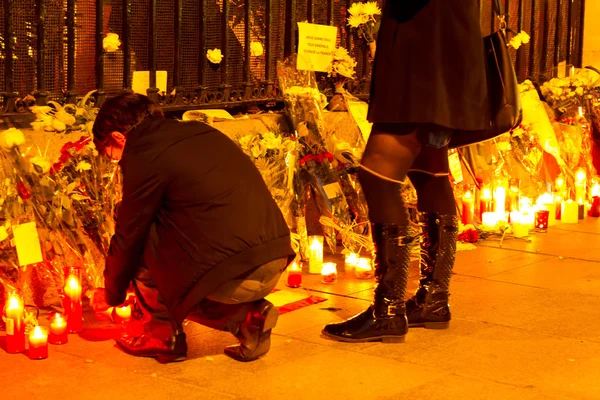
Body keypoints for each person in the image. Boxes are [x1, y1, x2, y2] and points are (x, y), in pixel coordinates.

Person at [322, 1, 488, 342]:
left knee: (377, 176)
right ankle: (433, 299)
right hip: (441, 50)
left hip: (423, 59)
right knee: (430, 171)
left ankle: (388, 310)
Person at [88, 93, 295, 362]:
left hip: (233, 275)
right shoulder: (198, 131)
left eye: (112, 157)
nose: (117, 164)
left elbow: (130, 232)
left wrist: (112, 294)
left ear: (118, 137)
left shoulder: (143, 152)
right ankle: (246, 319)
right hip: (274, 257)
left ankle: (162, 336)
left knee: (141, 232)